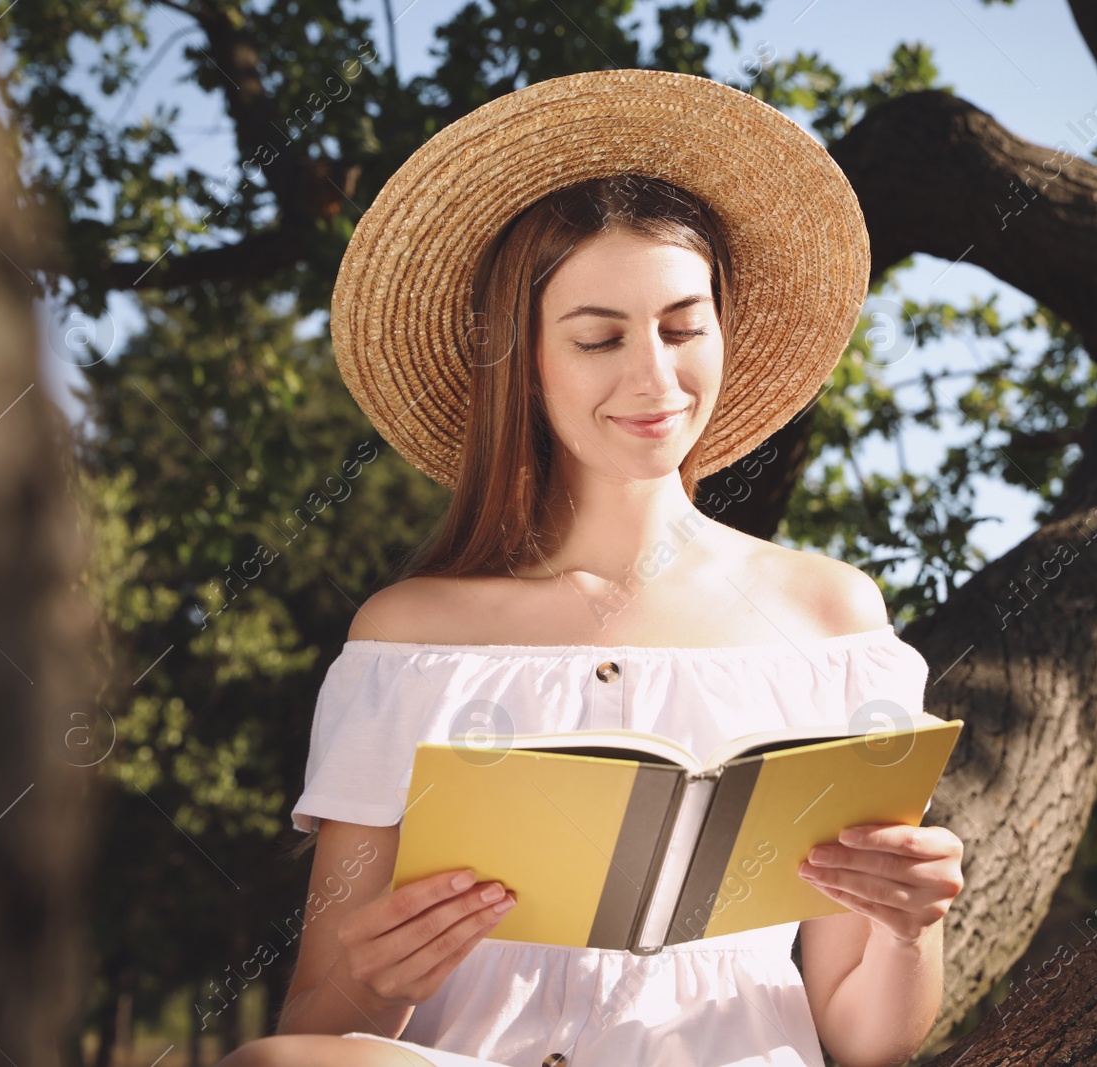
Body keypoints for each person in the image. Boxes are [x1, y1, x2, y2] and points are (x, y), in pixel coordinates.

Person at [217, 69, 964, 1067]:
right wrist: (377, 977)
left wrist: (911, 927)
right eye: (598, 336)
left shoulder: (829, 616)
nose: (654, 376)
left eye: (683, 327)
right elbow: (319, 1017)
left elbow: (865, 1038)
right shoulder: (409, 635)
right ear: (525, 359)